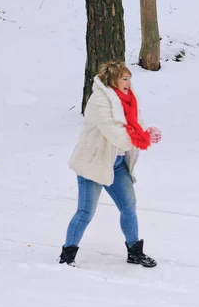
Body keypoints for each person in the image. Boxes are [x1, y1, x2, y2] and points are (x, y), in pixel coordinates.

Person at [58, 61, 162, 268]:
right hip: (94, 164)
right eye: (125, 78)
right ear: (112, 79)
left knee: (129, 207)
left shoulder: (129, 99)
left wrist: (147, 132)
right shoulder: (99, 101)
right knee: (85, 212)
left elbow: (135, 124)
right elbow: (115, 134)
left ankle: (134, 252)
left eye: (130, 78)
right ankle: (67, 256)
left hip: (116, 163)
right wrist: (141, 139)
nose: (129, 82)